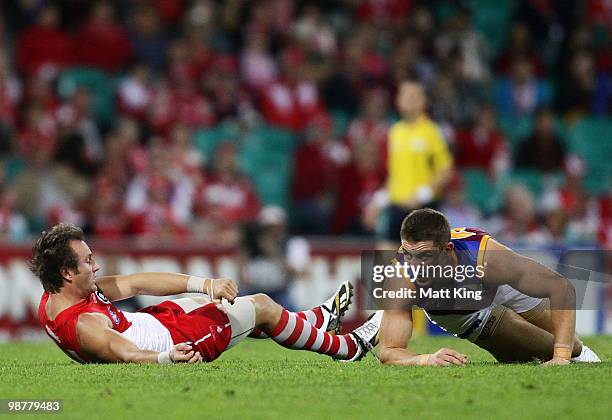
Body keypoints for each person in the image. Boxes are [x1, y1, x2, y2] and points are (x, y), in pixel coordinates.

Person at [33, 223, 380, 364]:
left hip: (154, 321)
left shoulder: (56, 297)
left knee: (218, 300)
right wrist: (167, 359)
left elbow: (135, 282)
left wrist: (204, 284)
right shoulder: (84, 324)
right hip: (175, 339)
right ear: (66, 272)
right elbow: (122, 352)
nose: (95, 266)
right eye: (88, 260)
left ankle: (317, 320)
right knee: (261, 306)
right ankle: (349, 347)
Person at [375, 208, 600, 366]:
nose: (415, 266)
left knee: (571, 345)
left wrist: (561, 358)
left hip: (500, 286)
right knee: (551, 347)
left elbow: (561, 288)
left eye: (424, 256)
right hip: (471, 316)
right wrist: (426, 359)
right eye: (408, 254)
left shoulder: (487, 257)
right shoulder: (400, 276)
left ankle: (577, 357)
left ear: (448, 249)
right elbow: (389, 351)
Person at [364, 80, 453, 245]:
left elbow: (446, 170)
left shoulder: (431, 131)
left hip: (424, 209)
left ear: (423, 102)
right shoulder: (395, 132)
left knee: (423, 264)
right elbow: (394, 175)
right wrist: (377, 203)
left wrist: (422, 194)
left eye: (413, 96)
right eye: (404, 95)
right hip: (397, 207)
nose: (407, 99)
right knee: (385, 260)